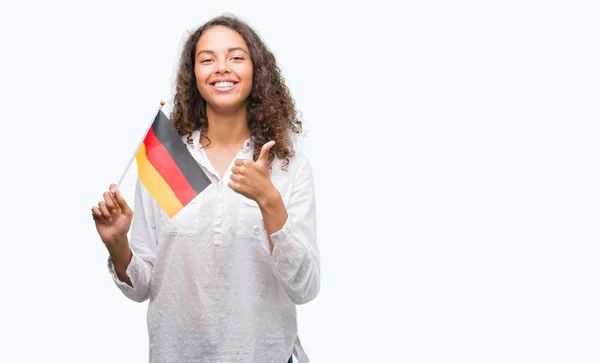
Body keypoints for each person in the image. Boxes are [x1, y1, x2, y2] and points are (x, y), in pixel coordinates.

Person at [91, 14, 320, 363]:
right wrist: (117, 244)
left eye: (236, 57)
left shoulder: (289, 167)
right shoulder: (165, 158)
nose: (221, 68)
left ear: (256, 70)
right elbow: (143, 285)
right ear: (193, 75)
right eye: (207, 59)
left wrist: (269, 200)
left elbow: (304, 288)